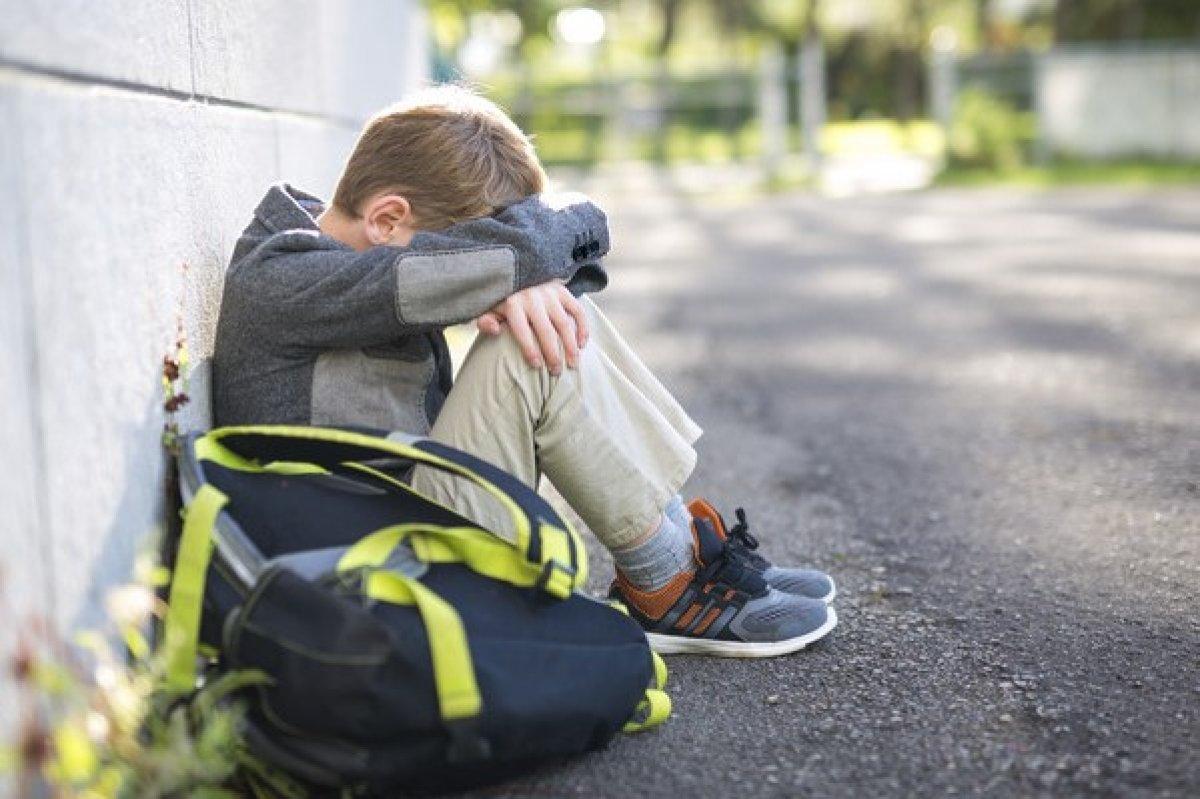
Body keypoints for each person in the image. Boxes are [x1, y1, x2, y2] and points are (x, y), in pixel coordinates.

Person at [212, 86, 837, 656]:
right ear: (387, 220)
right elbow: (538, 246)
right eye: (456, 249)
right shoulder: (288, 279)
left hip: (403, 515)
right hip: (366, 573)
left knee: (551, 308)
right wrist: (516, 273)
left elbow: (575, 224)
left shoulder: (355, 244)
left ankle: (683, 553)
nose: (467, 265)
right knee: (527, 344)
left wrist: (521, 277)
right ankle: (668, 584)